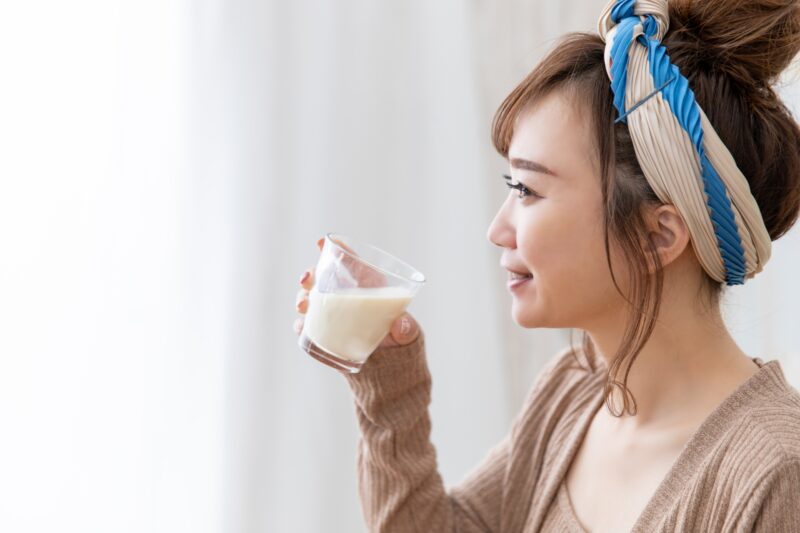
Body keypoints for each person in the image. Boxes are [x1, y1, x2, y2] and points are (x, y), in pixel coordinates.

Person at [293, 0, 800, 530]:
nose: (497, 230)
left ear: (657, 236)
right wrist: (387, 377)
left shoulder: (774, 473)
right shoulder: (572, 392)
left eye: (527, 189)